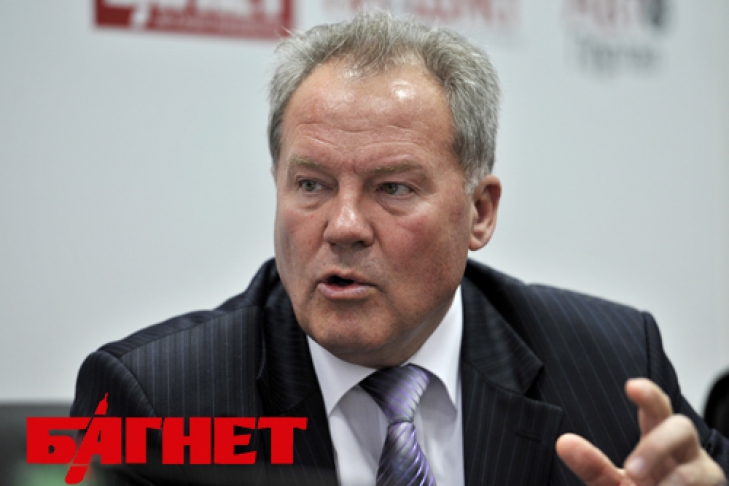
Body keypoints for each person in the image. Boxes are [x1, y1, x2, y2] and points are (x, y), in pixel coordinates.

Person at [71, 10, 729, 486]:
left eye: (392, 188)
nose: (343, 226)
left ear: (479, 212)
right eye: (311, 185)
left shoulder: (615, 365)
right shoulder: (153, 397)